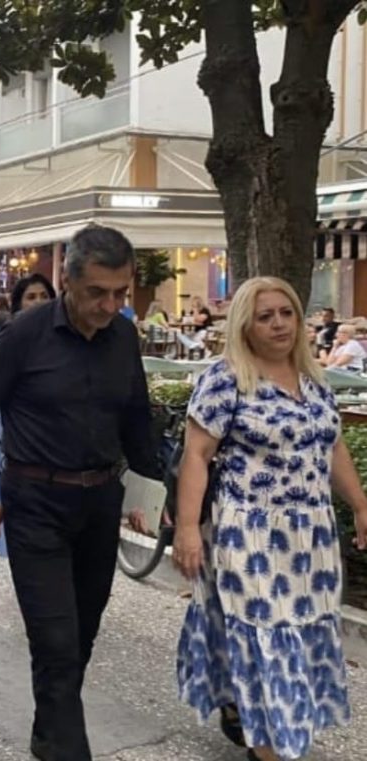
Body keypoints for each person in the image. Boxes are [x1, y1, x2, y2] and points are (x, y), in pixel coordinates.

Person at [0, 225, 159, 761]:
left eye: (120, 293)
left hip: (100, 505)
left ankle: (49, 737)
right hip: (35, 504)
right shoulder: (24, 335)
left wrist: (163, 496)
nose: (110, 305)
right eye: (97, 293)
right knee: (56, 642)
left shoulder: (122, 336)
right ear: (67, 280)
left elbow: (137, 422)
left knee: (80, 637)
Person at [173, 276, 367, 761]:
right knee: (266, 636)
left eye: (286, 313)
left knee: (302, 634)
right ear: (245, 325)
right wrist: (187, 528)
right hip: (252, 536)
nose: (279, 324)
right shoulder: (226, 379)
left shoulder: (312, 378)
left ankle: (249, 710)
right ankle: (268, 748)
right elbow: (196, 456)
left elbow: (333, 446)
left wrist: (361, 505)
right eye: (265, 316)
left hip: (312, 537)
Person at [0, 276, 57, 559]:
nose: (38, 302)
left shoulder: (68, 340)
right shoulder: (9, 340)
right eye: (31, 297)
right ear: (18, 303)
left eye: (44, 296)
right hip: (16, 436)